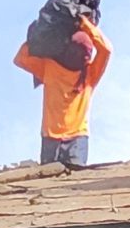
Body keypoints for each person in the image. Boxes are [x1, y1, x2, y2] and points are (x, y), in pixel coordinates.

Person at [13, 16, 112, 168]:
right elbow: (106, 50)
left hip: (53, 137)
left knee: (50, 182)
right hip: (76, 138)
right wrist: (86, 25)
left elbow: (20, 58)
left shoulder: (50, 67)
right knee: (74, 184)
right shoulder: (90, 72)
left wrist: (39, 35)